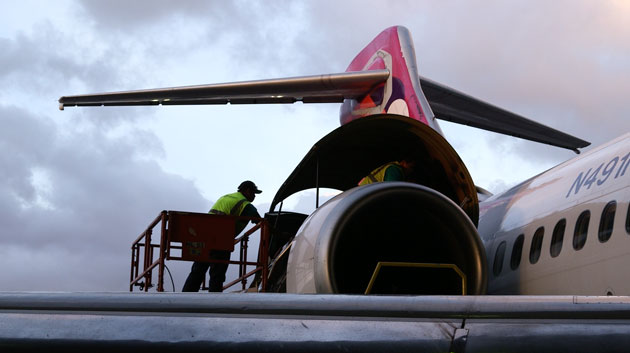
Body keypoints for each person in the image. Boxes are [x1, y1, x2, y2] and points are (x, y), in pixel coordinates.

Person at [182, 180, 262, 292]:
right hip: (220, 238)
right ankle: (214, 300)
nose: (254, 196)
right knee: (217, 273)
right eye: (253, 193)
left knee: (198, 270)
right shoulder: (245, 204)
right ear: (247, 191)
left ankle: (186, 296)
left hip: (204, 237)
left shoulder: (226, 197)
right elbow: (259, 220)